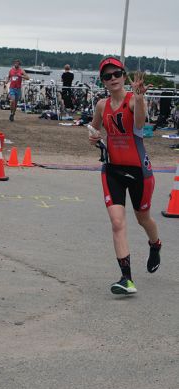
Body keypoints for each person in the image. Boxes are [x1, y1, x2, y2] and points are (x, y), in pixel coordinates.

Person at [88, 57, 161, 295]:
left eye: (116, 74)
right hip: (113, 170)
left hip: (140, 171)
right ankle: (126, 278)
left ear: (123, 75)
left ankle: (155, 244)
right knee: (117, 222)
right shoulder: (101, 105)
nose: (113, 79)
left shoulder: (132, 101)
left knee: (143, 219)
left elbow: (139, 123)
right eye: (107, 76)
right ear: (103, 81)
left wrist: (140, 98)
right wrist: (93, 136)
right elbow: (95, 127)